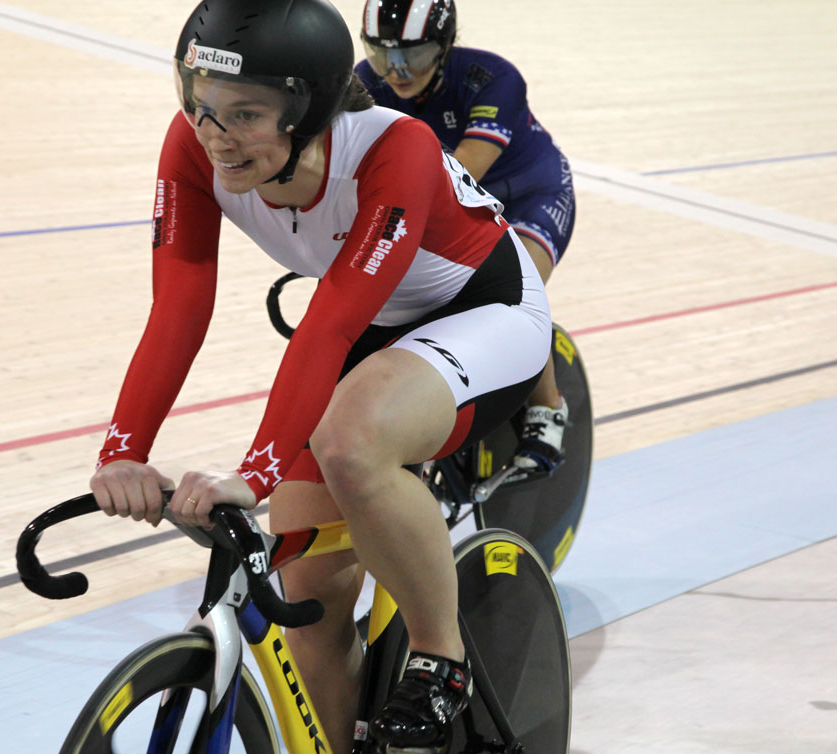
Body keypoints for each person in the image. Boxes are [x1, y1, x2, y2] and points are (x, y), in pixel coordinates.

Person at [88, 0, 550, 751]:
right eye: (199, 104)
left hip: (486, 311)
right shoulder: (193, 149)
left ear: (311, 112)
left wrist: (256, 472)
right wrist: (122, 449)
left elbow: (331, 324)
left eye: (245, 115)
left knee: (350, 440)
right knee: (306, 594)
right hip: (377, 318)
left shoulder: (391, 146)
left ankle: (442, 655)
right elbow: (177, 310)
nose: (214, 135)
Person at [356, 0, 576, 473]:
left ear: (444, 45)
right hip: (443, 201)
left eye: (412, 56)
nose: (396, 70)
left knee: (517, 295)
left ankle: (549, 406)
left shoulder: (492, 78)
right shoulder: (363, 83)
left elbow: (464, 174)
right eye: (381, 55)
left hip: (526, 195)